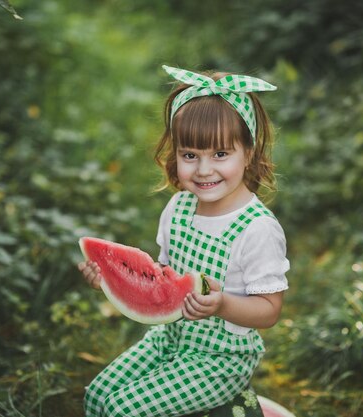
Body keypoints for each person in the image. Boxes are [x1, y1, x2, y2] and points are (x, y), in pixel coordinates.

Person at [77, 65, 290, 417]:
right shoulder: (179, 206)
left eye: (220, 154)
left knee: (121, 409)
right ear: (175, 155)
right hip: (169, 339)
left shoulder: (257, 229)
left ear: (248, 153)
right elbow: (163, 275)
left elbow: (270, 311)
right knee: (98, 396)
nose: (204, 169)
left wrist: (221, 304)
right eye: (190, 155)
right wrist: (113, 280)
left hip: (222, 360)